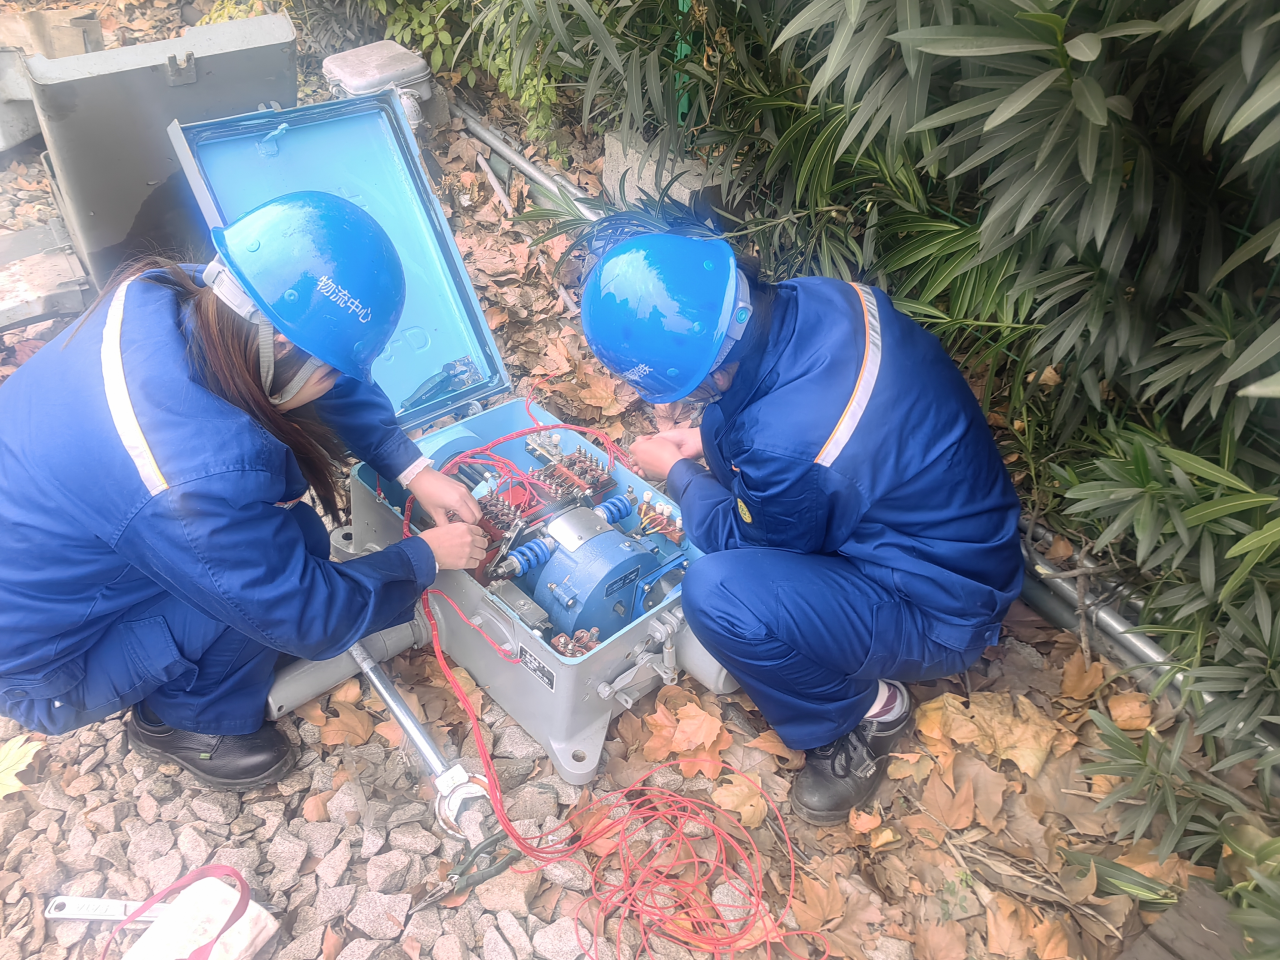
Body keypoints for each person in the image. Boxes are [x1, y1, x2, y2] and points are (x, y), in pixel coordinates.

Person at [0, 192, 489, 790]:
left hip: (48, 569)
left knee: (272, 545)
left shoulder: (169, 295)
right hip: (44, 672)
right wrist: (424, 558)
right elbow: (306, 614)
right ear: (280, 345)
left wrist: (411, 467)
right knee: (285, 554)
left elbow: (315, 363)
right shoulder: (189, 482)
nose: (331, 383)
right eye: (329, 371)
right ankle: (185, 719)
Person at [581, 231, 1023, 823]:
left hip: (943, 610)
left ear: (713, 373)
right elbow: (786, 429)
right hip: (958, 540)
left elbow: (745, 540)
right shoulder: (818, 298)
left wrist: (681, 475)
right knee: (737, 459)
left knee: (720, 595)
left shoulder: (789, 444)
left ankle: (865, 715)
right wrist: (708, 441)